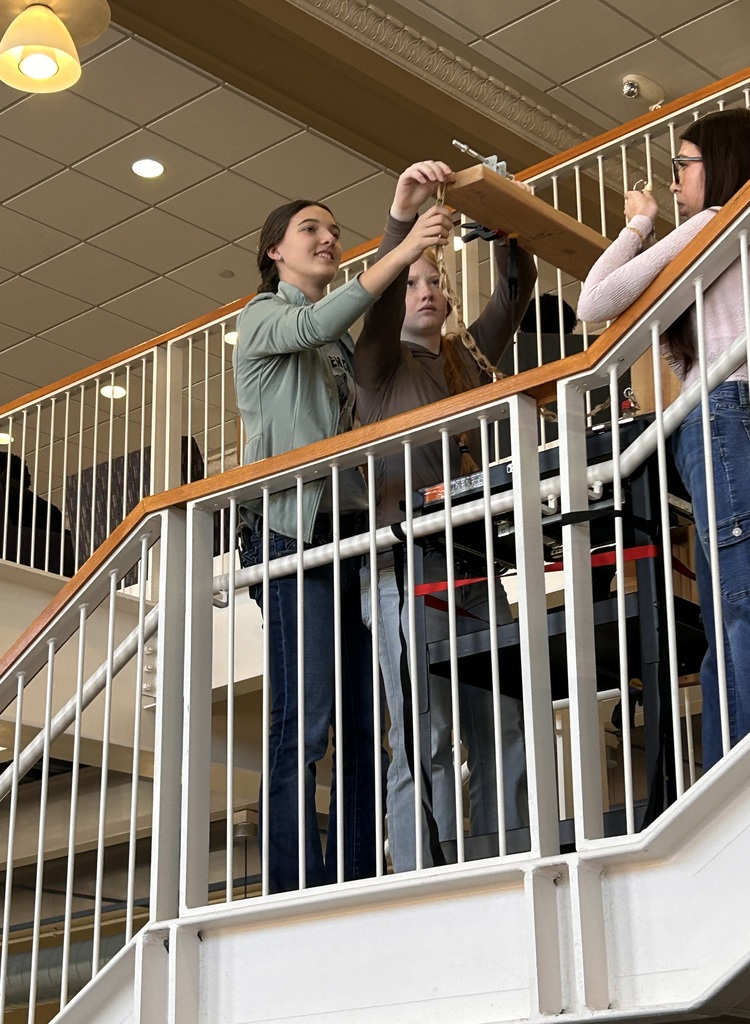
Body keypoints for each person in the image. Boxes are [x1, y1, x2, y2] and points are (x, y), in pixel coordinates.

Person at [234, 193, 454, 893]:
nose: (327, 237)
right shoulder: (265, 317)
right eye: (310, 229)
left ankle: (356, 877)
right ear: (275, 250)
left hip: (348, 530)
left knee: (363, 720)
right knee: (307, 718)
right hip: (287, 530)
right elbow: (326, 314)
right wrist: (404, 238)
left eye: (333, 230)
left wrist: (404, 220)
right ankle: (295, 885)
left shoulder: (335, 342)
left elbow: (352, 327)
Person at [355, 161, 537, 870]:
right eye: (413, 282)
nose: (427, 290)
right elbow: (370, 312)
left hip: (470, 567)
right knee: (422, 731)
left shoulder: (464, 359)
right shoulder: (379, 365)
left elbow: (516, 294)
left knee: (508, 719)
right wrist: (401, 227)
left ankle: (508, 854)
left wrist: (505, 224)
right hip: (402, 569)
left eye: (435, 280)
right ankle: (420, 872)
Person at [577, 107, 750, 771]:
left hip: (723, 412)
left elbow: (593, 301)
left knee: (739, 610)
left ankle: (739, 788)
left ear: (717, 167)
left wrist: (638, 223)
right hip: (738, 414)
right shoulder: (745, 235)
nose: (677, 180)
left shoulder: (714, 226)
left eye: (683, 165)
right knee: (739, 610)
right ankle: (735, 784)